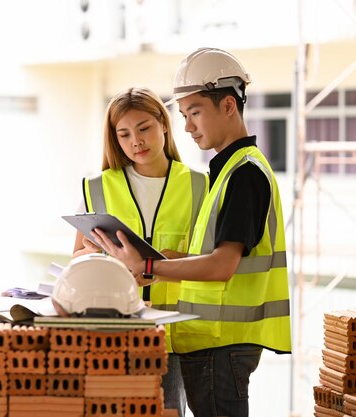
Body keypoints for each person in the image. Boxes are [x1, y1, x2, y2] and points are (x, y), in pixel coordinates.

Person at [91, 48, 292, 417]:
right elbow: (207, 255)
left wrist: (148, 266)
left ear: (228, 105)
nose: (187, 126)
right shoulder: (228, 172)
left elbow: (221, 266)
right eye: (183, 115)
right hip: (210, 340)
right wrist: (148, 259)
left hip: (222, 341)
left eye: (195, 112)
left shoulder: (244, 175)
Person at [72, 87, 207, 416]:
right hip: (113, 332)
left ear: (163, 124)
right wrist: (98, 258)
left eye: (144, 128)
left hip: (176, 336)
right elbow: (76, 261)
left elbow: (211, 260)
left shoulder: (199, 185)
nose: (136, 141)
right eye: (124, 134)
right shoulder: (98, 187)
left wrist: (158, 264)